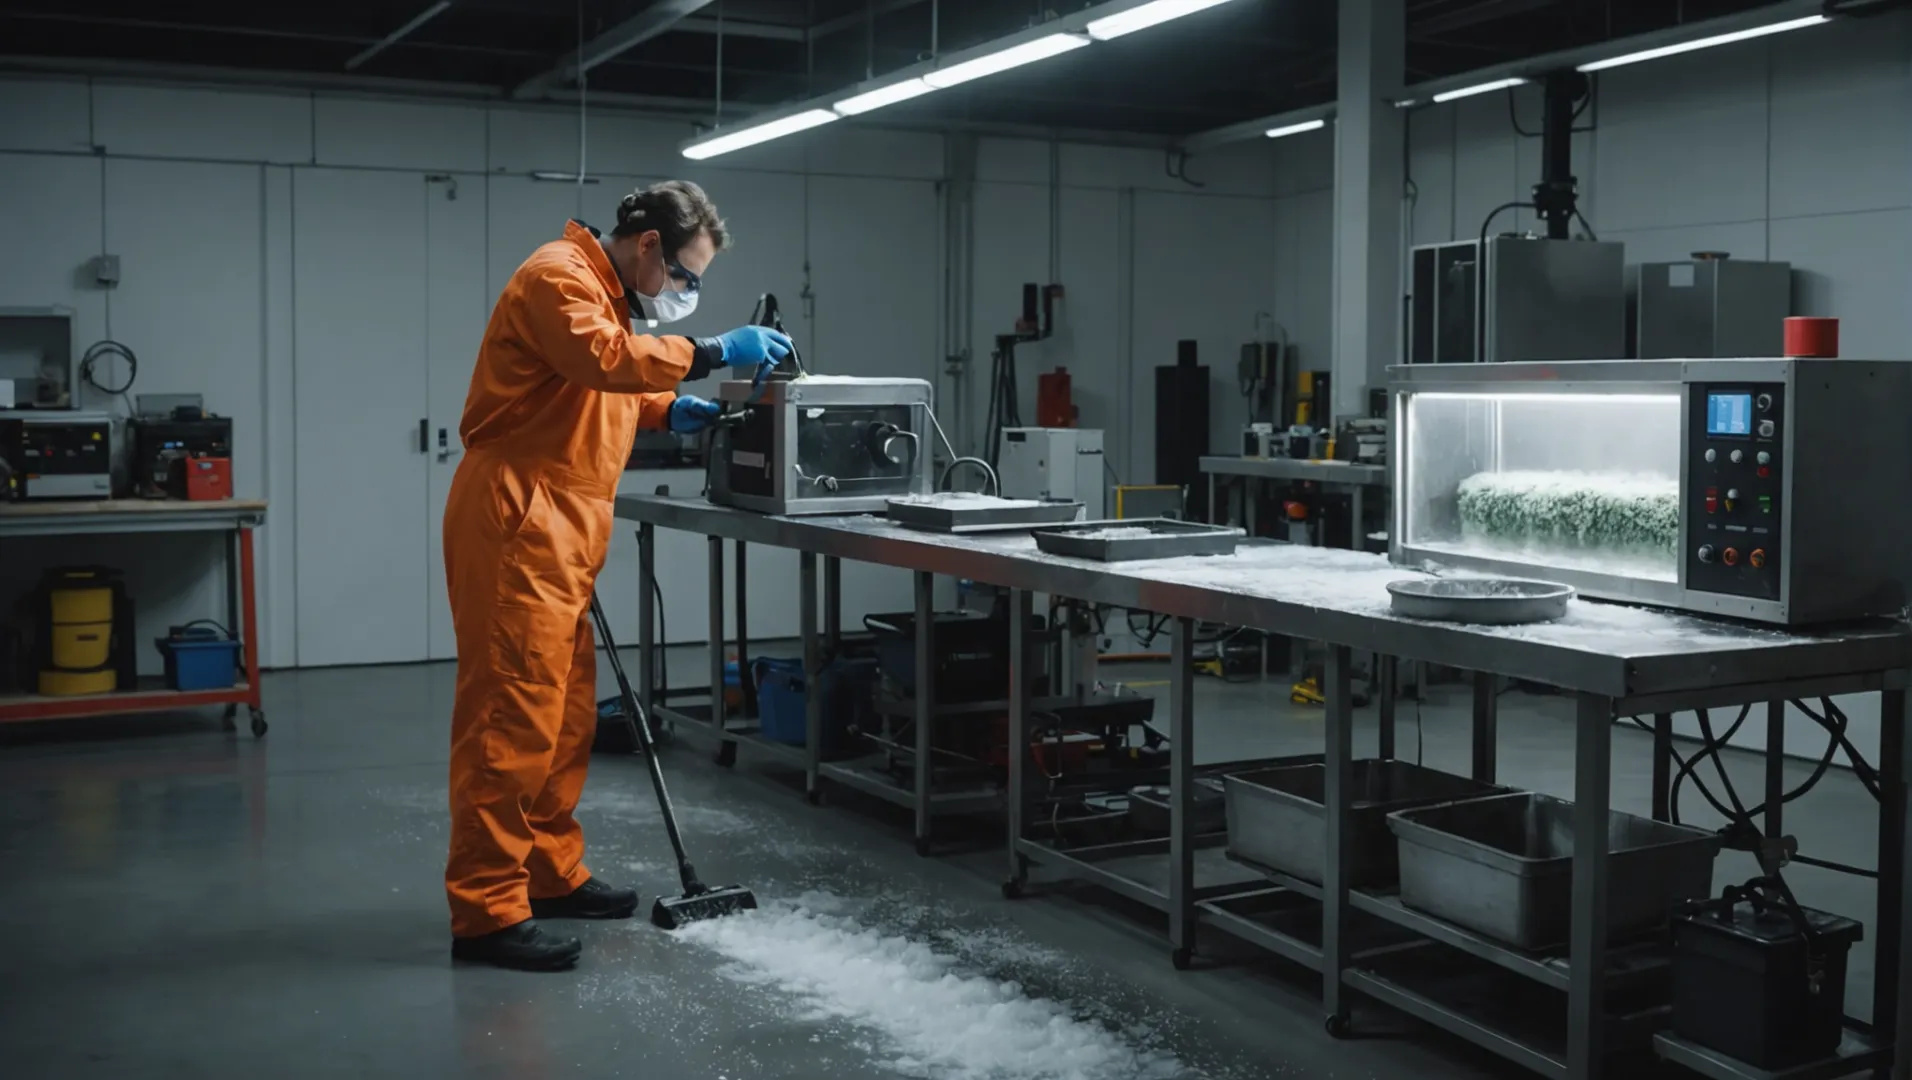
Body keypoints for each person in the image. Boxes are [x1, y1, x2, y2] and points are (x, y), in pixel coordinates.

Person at [441, 181, 791, 971]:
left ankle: (547, 872)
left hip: (562, 521)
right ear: (647, 247)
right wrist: (710, 355)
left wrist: (670, 410)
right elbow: (599, 359)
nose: (686, 294)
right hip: (521, 512)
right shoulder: (557, 276)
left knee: (562, 714)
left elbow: (596, 392)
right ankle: (487, 912)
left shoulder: (604, 295)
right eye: (686, 276)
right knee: (511, 716)